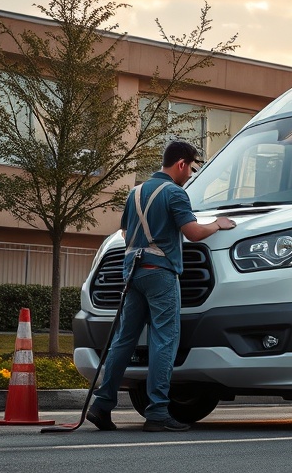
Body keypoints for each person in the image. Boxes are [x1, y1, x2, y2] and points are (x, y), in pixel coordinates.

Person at [86, 141, 235, 432]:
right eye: (191, 168)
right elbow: (193, 233)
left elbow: (125, 232)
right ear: (181, 164)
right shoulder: (175, 193)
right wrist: (216, 224)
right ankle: (157, 413)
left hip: (132, 273)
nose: (191, 175)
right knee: (164, 339)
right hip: (160, 273)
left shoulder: (135, 192)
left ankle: (101, 405)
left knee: (124, 340)